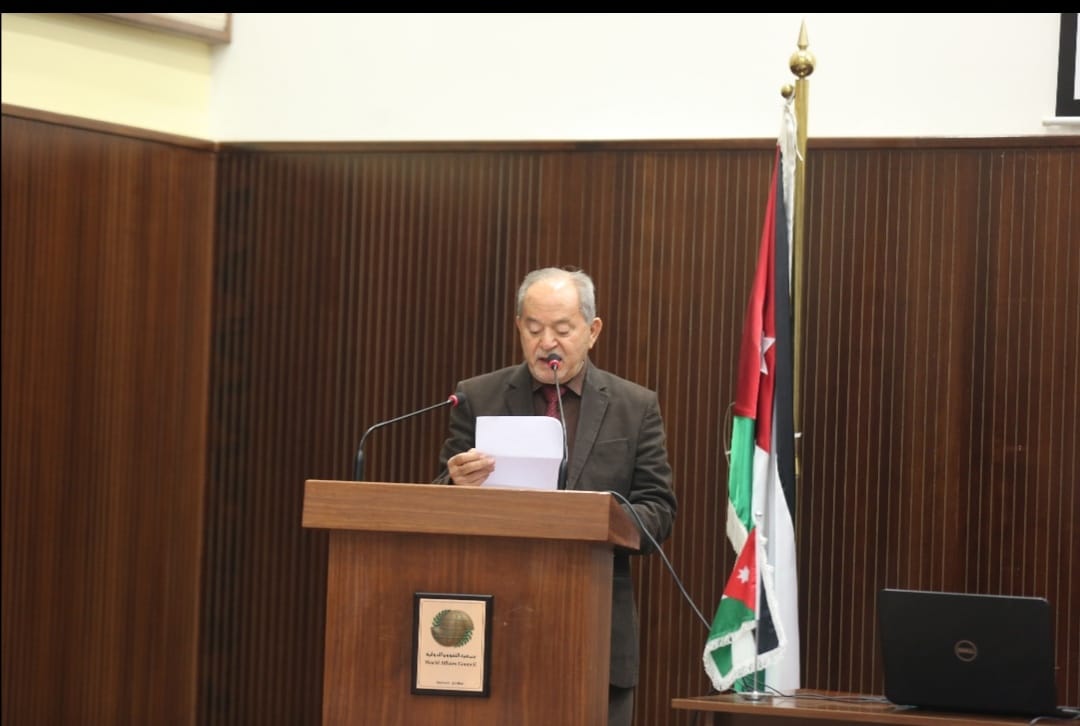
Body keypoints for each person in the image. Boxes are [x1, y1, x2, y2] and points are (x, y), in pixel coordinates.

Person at [435, 266, 678, 726]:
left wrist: (598, 517)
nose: (547, 342)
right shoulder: (477, 396)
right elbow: (436, 503)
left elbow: (659, 510)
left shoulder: (634, 407)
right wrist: (455, 484)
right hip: (495, 623)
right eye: (533, 329)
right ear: (518, 327)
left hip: (594, 626)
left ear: (592, 330)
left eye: (563, 330)